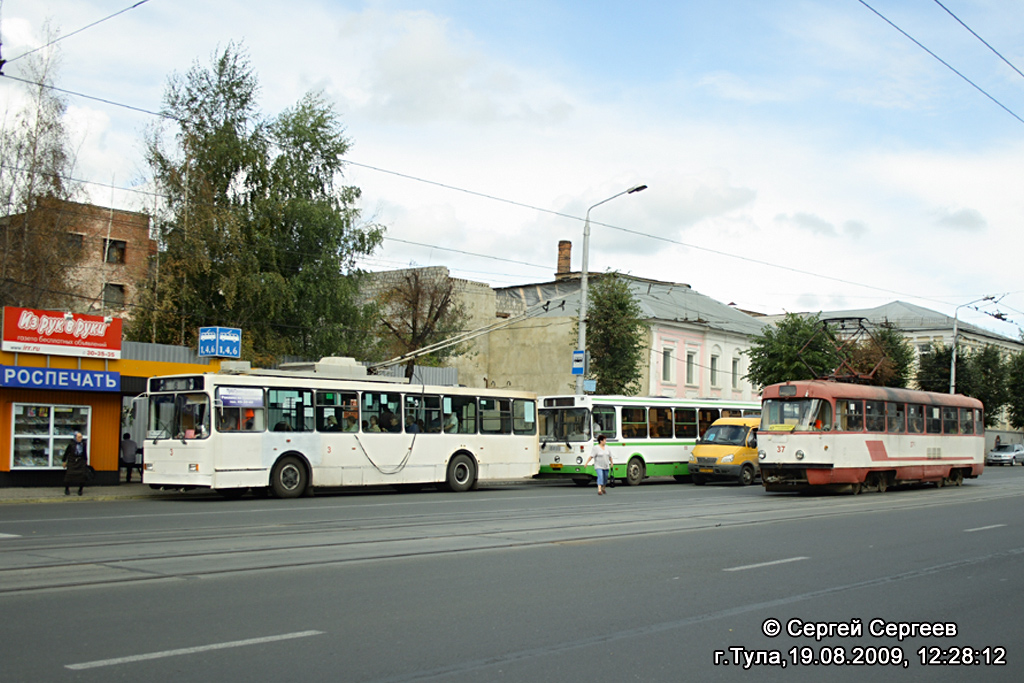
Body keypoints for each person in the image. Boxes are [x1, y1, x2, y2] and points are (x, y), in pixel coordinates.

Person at [62, 431, 89, 496]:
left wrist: (86, 461)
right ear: (75, 437)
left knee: (82, 476)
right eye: (79, 437)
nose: (80, 438)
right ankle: (67, 489)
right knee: (69, 475)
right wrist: (64, 461)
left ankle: (80, 490)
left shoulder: (83, 444)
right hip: (72, 461)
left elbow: (85, 453)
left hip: (80, 461)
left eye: (81, 437)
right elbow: (66, 453)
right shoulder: (71, 444)